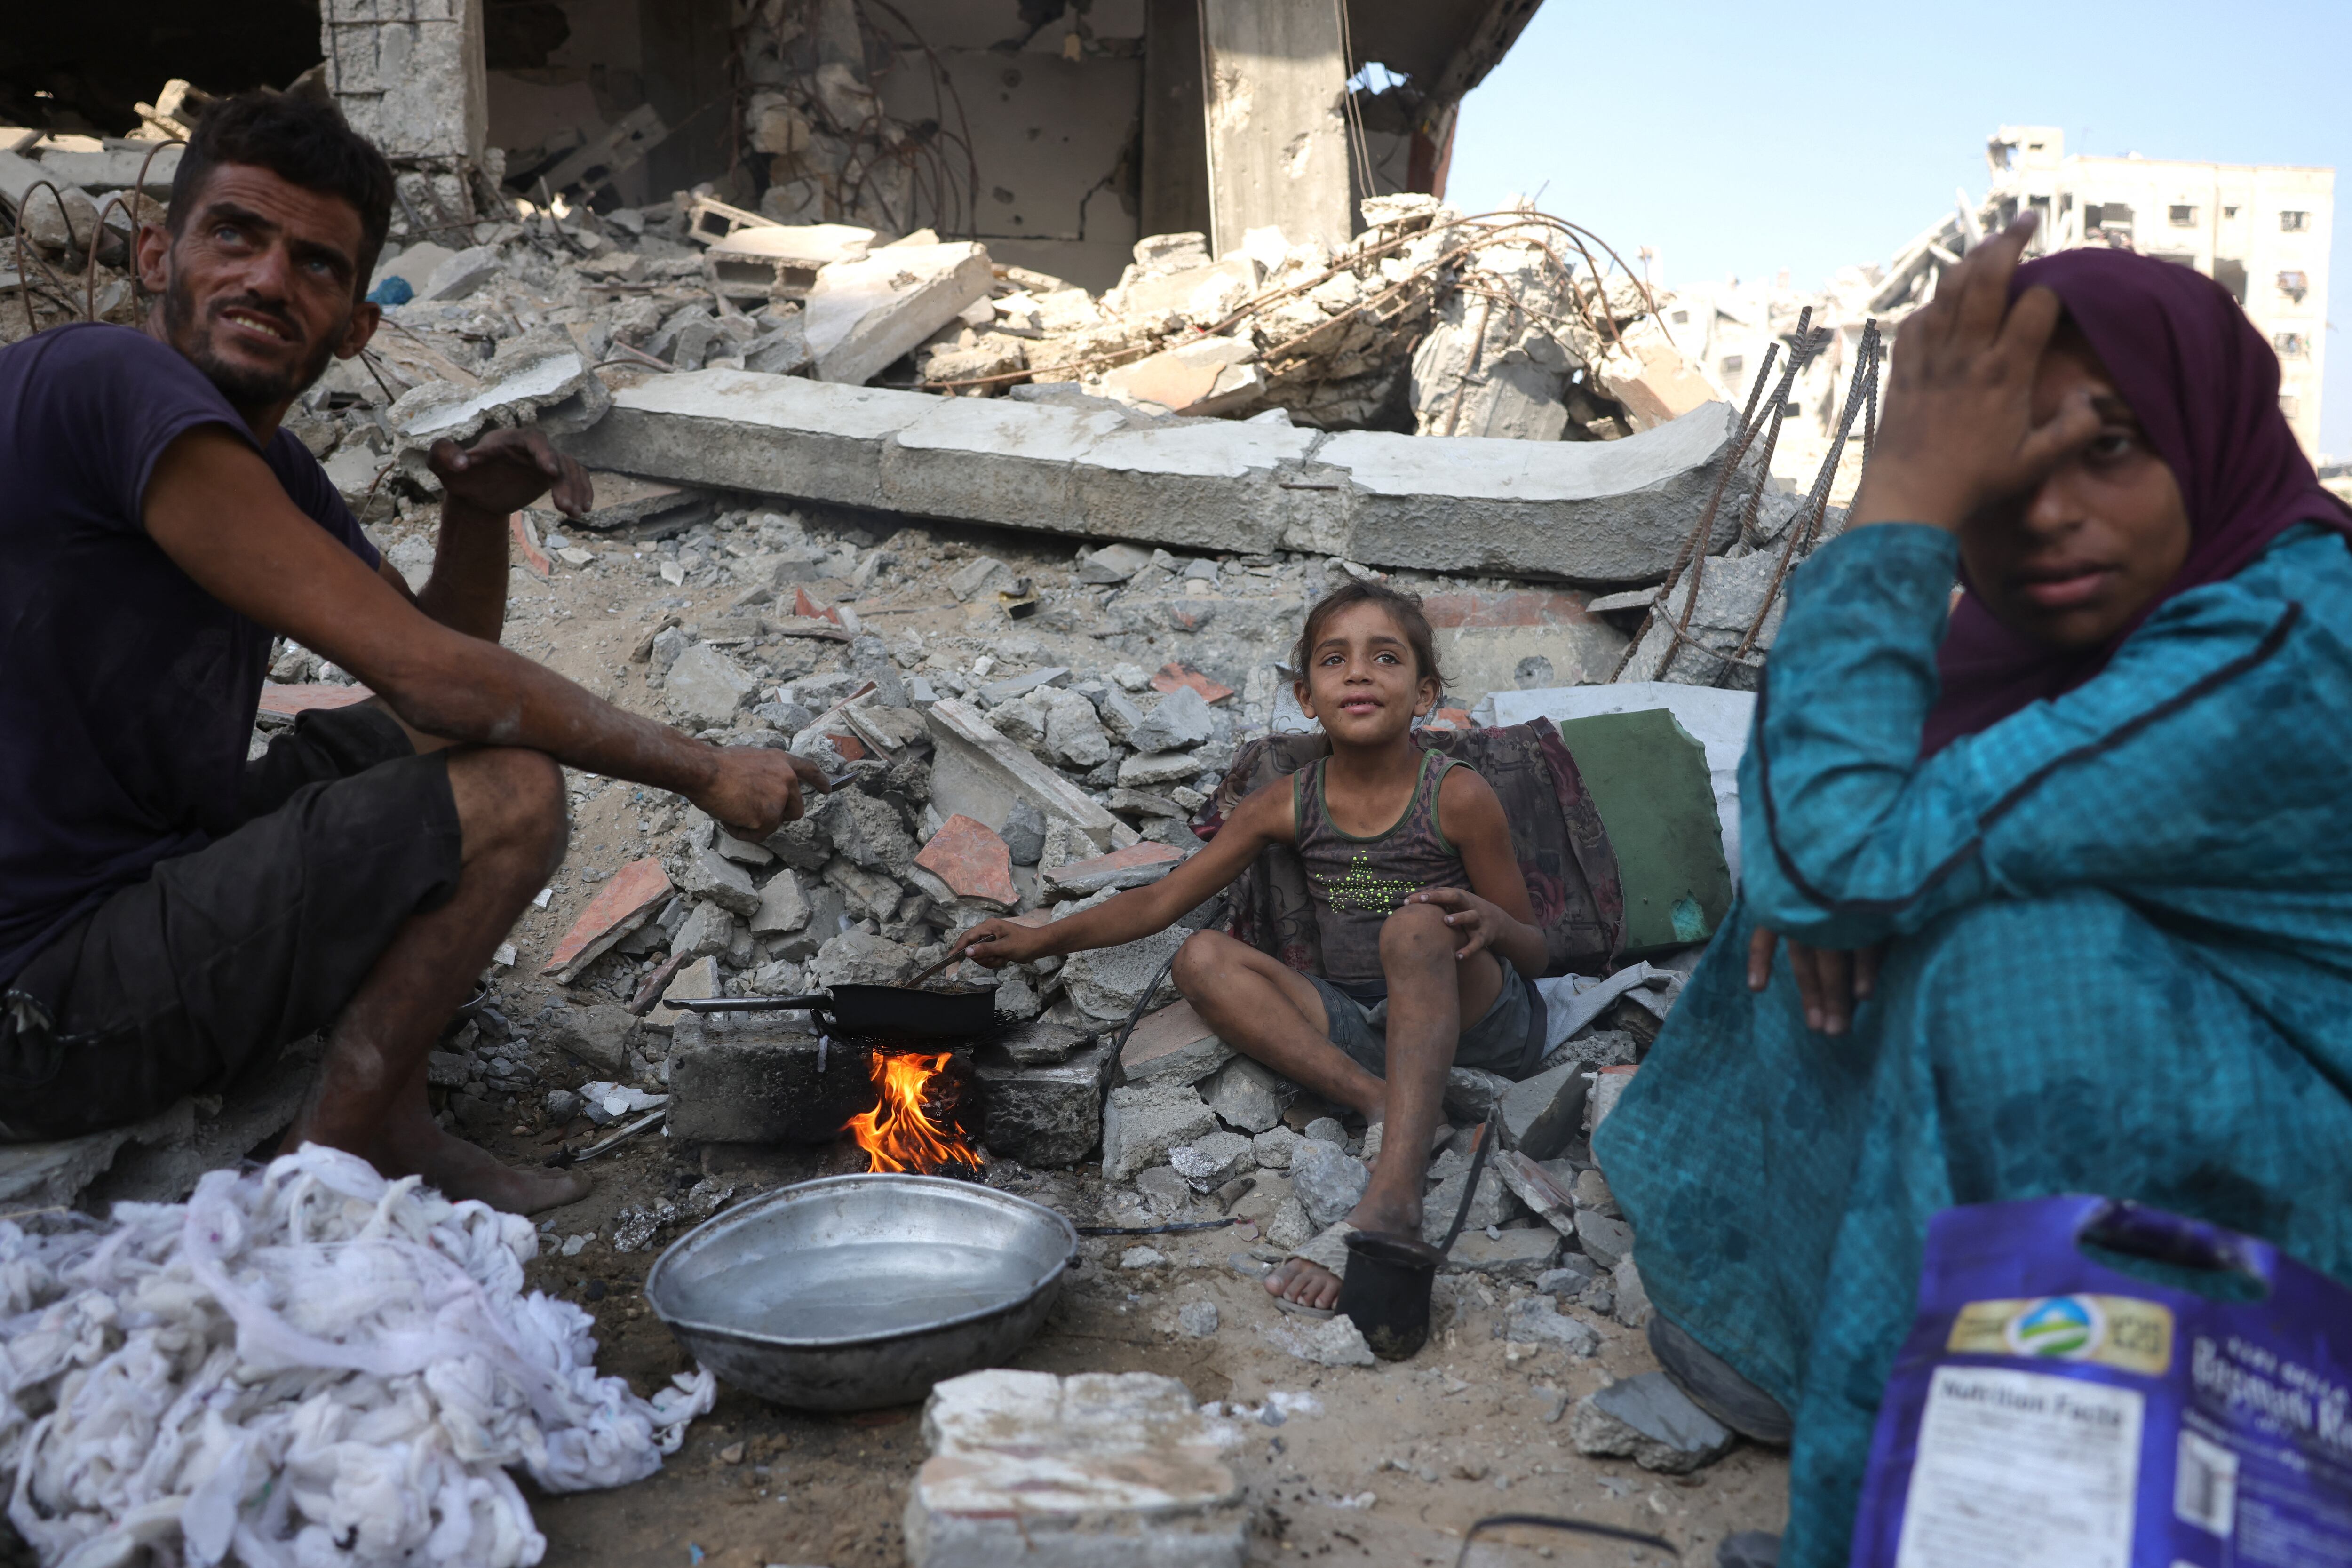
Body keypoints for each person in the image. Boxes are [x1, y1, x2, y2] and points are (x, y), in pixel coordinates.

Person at [1595, 214, 2352, 1565]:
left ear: (2208, 434)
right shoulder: (2125, 634)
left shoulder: (2286, 638)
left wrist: (1898, 505)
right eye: (1990, 481)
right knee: (1840, 887)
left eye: (2110, 449)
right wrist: (1839, 874)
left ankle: (2013, 1483)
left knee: (1994, 952)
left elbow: (1840, 850)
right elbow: (1833, 848)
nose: (2049, 515)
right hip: (2245, 1064)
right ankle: (1853, 1385)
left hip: (2319, 1140)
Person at [0, 90, 822, 1214]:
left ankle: (381, 1114)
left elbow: (431, 664)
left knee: (428, 746)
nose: (268, 280)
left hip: (115, 905)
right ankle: (333, 1172)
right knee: (513, 794)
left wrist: (475, 521)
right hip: (32, 1004)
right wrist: (707, 768)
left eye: (317, 264)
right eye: (235, 235)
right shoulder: (107, 383)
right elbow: (441, 679)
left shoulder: (266, 469)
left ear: (356, 327)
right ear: (158, 255)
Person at [955, 580, 1547, 1307]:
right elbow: (1164, 899)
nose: (1358, 673)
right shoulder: (1289, 801)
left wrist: (1491, 924)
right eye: (1335, 660)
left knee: (1417, 925)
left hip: (1482, 1021)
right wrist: (1039, 939)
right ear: (1306, 695)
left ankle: (1393, 1195)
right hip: (1365, 1022)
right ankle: (1385, 1103)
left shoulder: (1454, 794)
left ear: (1424, 693)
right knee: (1199, 957)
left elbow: (1536, 951)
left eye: (1385, 658)